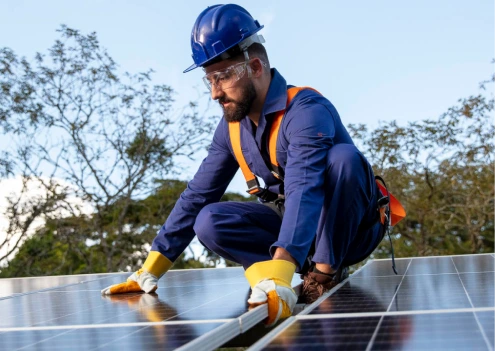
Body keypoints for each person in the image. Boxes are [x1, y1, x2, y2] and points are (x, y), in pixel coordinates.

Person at [102, 4, 401, 326]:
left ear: (255, 67)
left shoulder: (307, 110)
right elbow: (197, 195)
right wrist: (150, 268)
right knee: (210, 219)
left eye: (223, 77)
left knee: (343, 159)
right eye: (209, 81)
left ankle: (323, 275)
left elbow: (304, 188)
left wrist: (286, 262)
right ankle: (270, 282)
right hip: (293, 228)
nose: (215, 93)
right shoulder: (231, 128)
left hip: (347, 229)